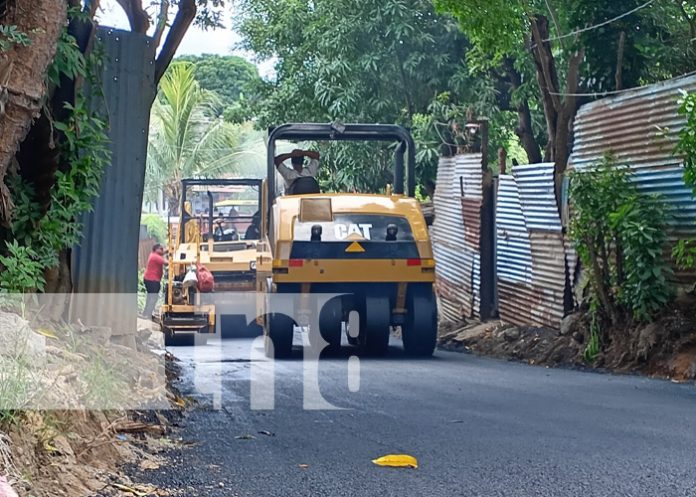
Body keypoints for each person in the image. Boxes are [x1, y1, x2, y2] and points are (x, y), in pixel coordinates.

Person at [142, 243, 165, 319]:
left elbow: (163, 253)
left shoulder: (153, 254)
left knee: (150, 297)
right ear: (156, 249)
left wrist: (169, 250)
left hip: (149, 279)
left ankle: (145, 313)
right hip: (153, 280)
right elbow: (167, 263)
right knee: (154, 298)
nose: (162, 250)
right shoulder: (156, 257)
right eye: (161, 249)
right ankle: (148, 314)